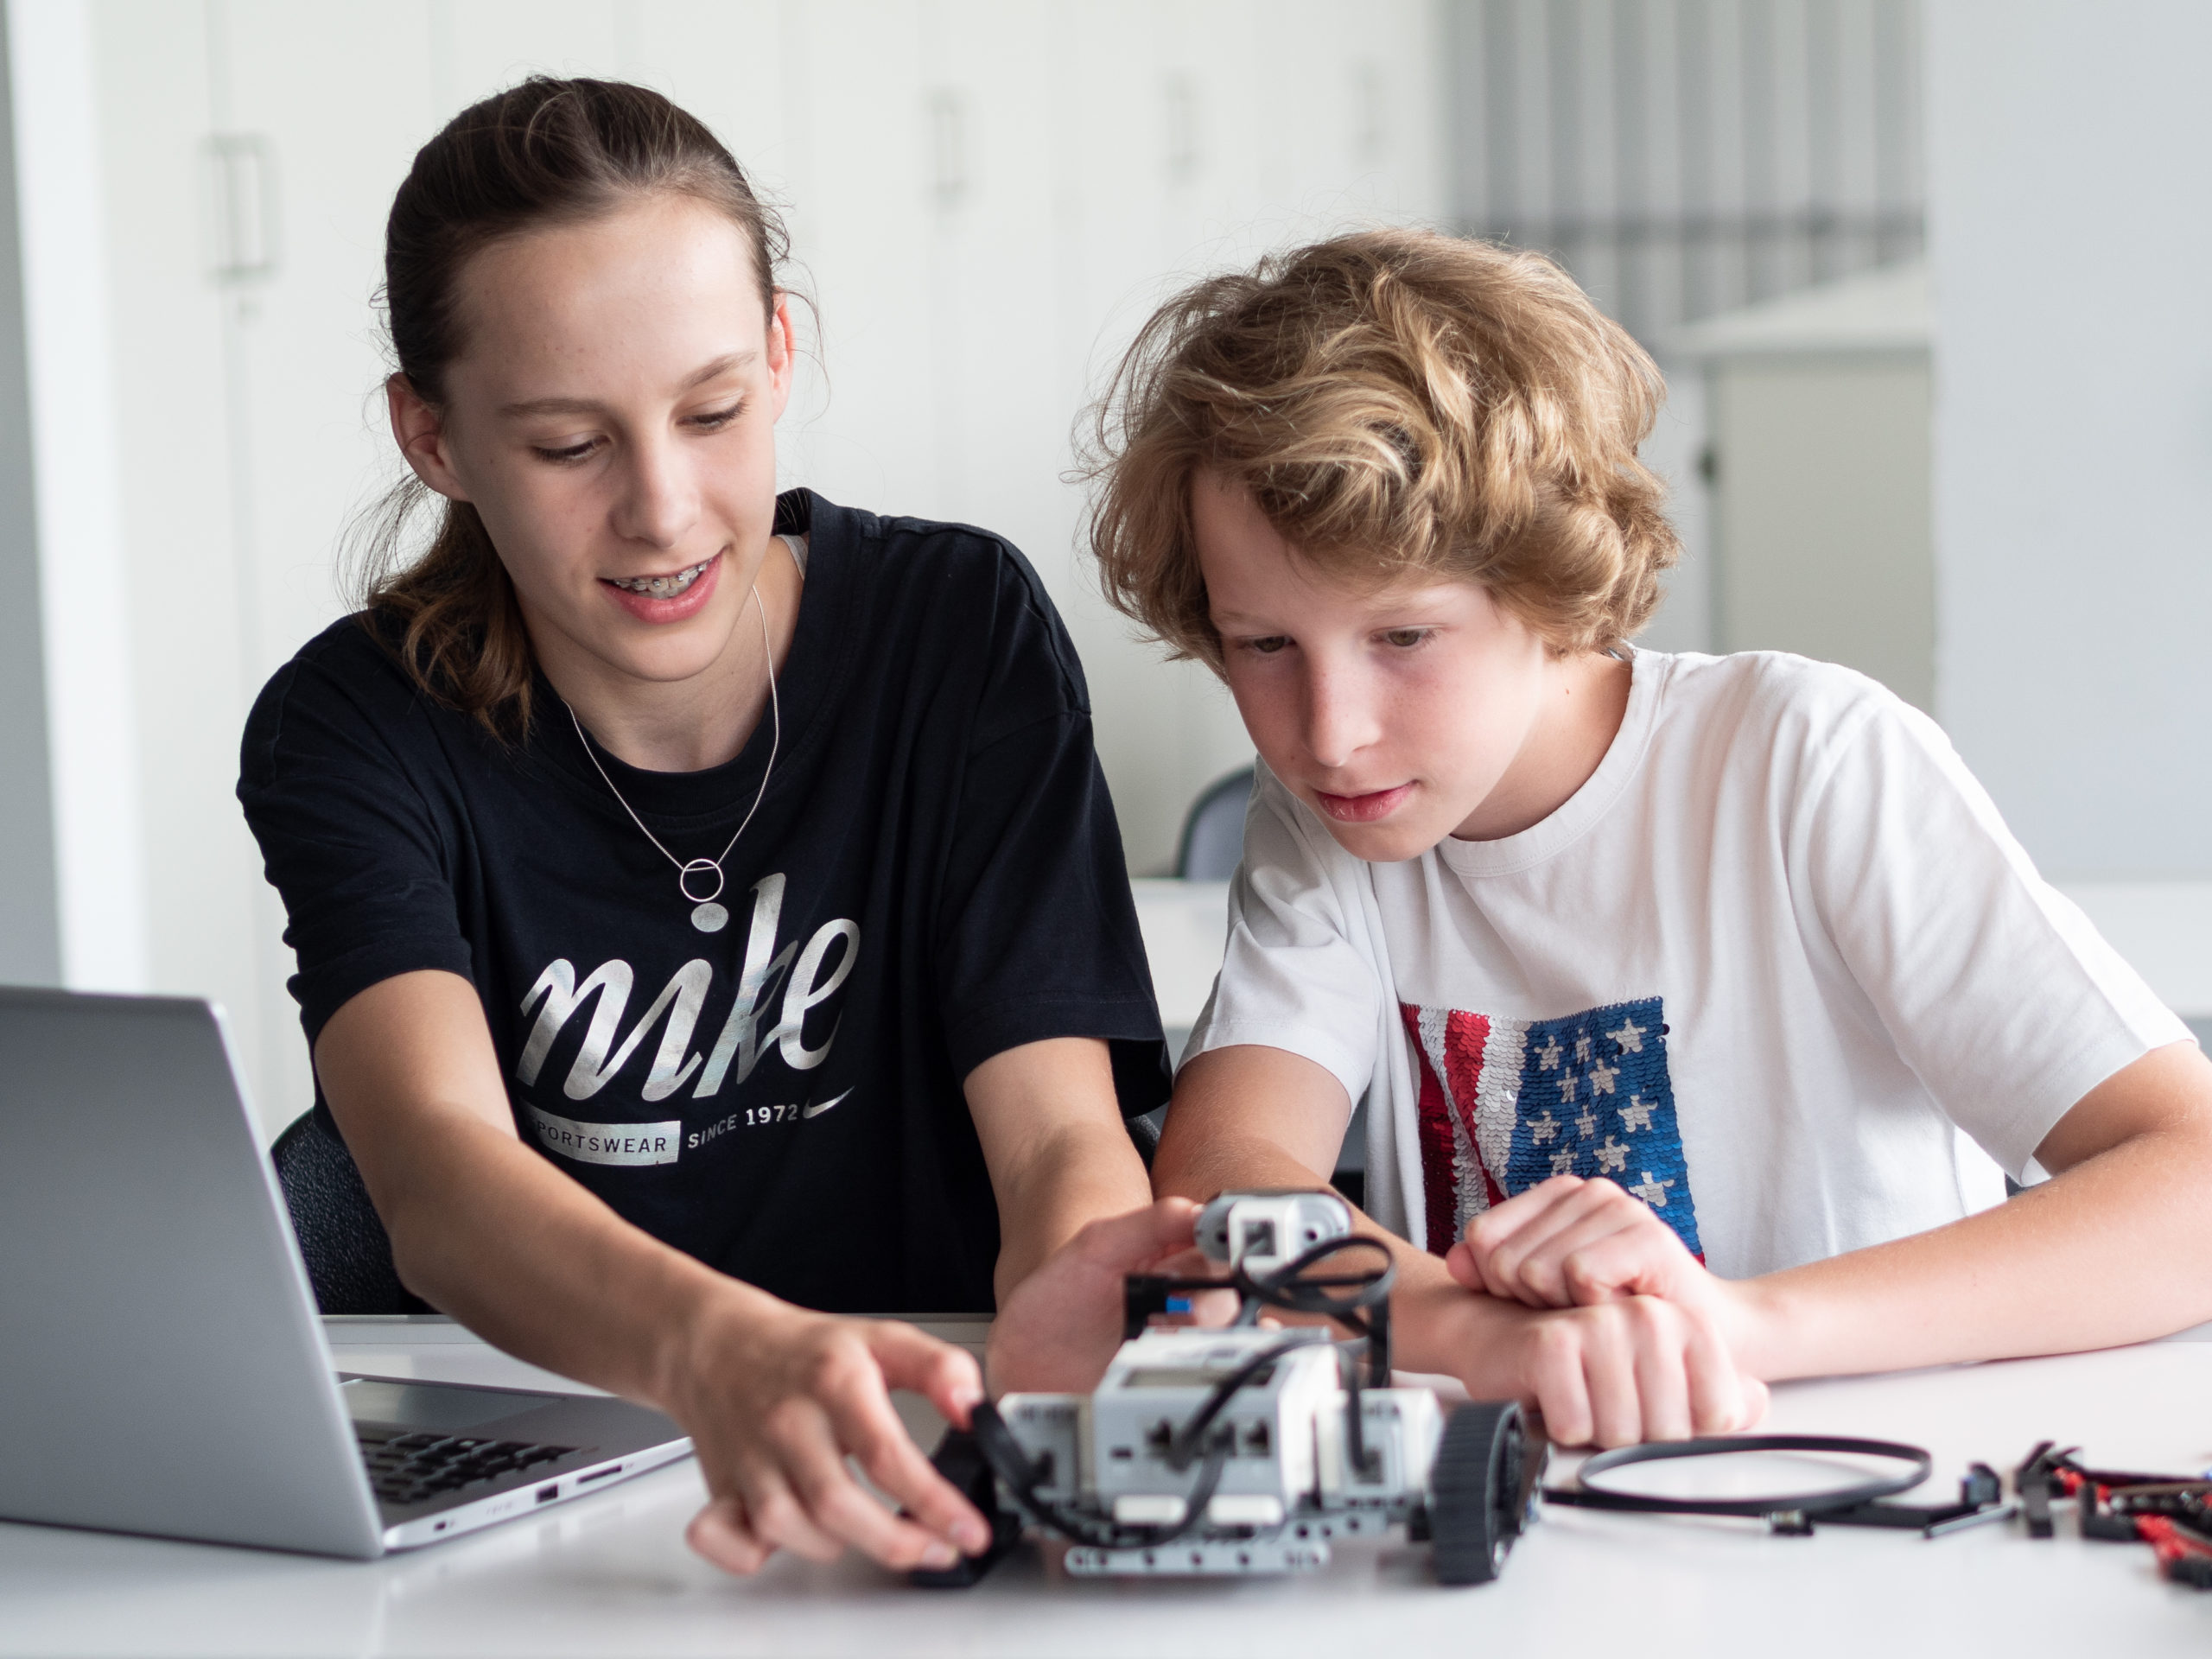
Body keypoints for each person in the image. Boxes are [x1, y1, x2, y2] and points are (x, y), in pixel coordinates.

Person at [237, 77, 1189, 1577]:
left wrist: (1073, 1333)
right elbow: (429, 1170)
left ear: (783, 353)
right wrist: (720, 1354)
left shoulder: (955, 630)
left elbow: (1060, 1125)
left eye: (714, 411)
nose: (666, 510)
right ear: (433, 437)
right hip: (570, 1481)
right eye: (568, 447)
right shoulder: (353, 728)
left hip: (933, 1428)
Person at [1086, 228, 2212, 1449]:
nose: (1332, 732)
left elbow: (2190, 1183)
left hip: (1877, 1496)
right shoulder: (1323, 821)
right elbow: (1221, 1179)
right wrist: (1486, 1339)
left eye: (1404, 638)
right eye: (1264, 646)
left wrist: (1736, 1326)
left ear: (1547, 580)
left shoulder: (1806, 759)